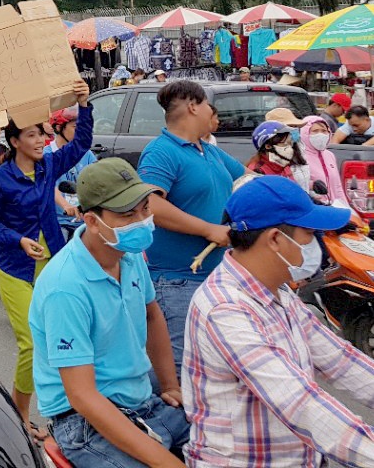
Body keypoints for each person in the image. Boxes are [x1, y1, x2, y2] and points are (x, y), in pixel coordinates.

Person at [183, 175, 374, 467]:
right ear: (275, 239)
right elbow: (299, 402)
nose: (316, 246)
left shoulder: (278, 291)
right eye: (309, 235)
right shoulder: (225, 309)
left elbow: (341, 360)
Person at [29, 158, 189, 468]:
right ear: (91, 221)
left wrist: (171, 386)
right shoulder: (65, 286)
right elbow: (83, 397)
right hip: (84, 422)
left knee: (230, 438)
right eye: (128, 214)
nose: (142, 220)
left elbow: (152, 315)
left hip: (143, 400)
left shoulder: (128, 255)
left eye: (145, 209)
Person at [0, 79, 91, 438]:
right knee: (31, 343)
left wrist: (84, 105)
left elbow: (82, 143)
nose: (41, 140)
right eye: (32, 135)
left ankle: (68, 409)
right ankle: (20, 413)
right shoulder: (1, 180)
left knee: (62, 339)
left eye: (42, 134)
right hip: (15, 269)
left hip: (53, 266)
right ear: (14, 142)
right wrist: (19, 240)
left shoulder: (48, 167)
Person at [137, 80, 246, 374]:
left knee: (215, 369)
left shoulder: (208, 151)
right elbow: (151, 205)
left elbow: (247, 180)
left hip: (219, 278)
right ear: (193, 105)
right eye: (209, 104)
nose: (213, 111)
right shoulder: (161, 151)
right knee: (177, 375)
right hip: (178, 282)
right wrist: (208, 230)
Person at [46, 107, 97, 230]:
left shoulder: (86, 153)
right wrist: (65, 205)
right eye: (75, 127)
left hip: (84, 219)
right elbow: (47, 184)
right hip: (58, 221)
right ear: (58, 128)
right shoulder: (46, 155)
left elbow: (97, 178)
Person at [301, 115, 346, 203]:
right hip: (314, 208)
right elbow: (297, 184)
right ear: (305, 133)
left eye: (324, 131)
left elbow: (337, 187)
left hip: (333, 208)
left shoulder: (330, 155)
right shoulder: (299, 156)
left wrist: (345, 207)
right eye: (315, 131)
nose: (320, 134)